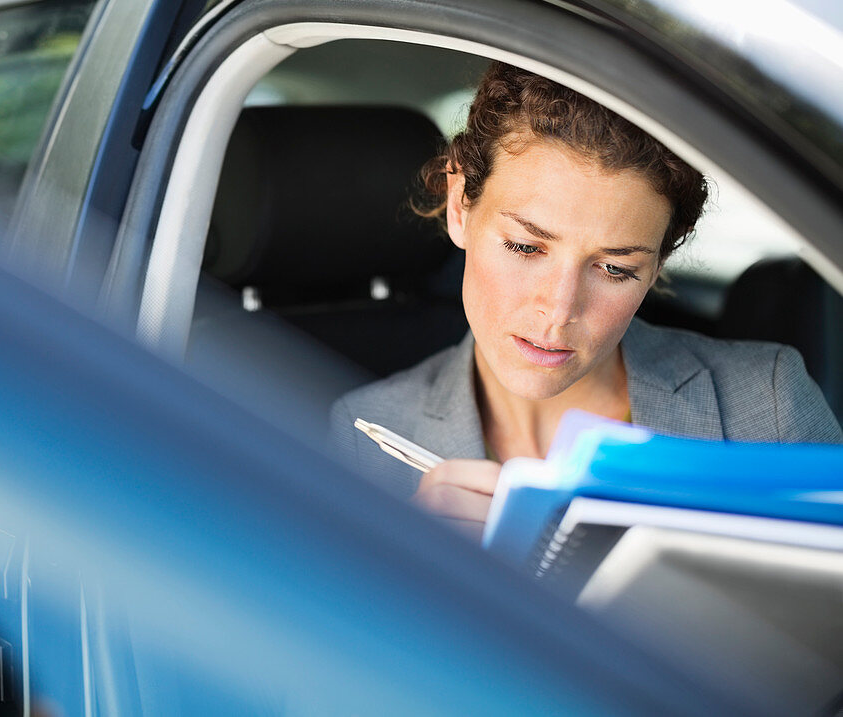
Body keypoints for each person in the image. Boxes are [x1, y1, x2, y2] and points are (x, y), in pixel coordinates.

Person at [329, 62, 842, 537]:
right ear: (461, 205)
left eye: (615, 269)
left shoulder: (766, 409)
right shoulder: (368, 437)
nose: (558, 310)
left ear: (659, 263)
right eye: (526, 247)